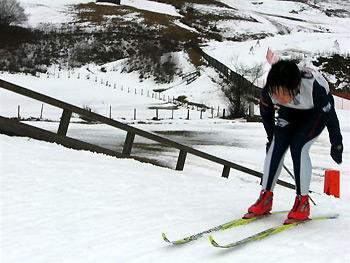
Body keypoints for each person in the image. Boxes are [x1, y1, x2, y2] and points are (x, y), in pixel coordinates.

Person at [243, 60, 343, 224]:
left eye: (284, 94)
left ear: (296, 87)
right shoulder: (270, 91)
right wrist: (271, 138)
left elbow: (330, 118)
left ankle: (302, 202)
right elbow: (267, 115)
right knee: (276, 144)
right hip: (290, 110)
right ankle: (265, 197)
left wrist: (336, 144)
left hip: (315, 111)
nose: (280, 98)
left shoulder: (315, 89)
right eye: (276, 95)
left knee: (299, 146)